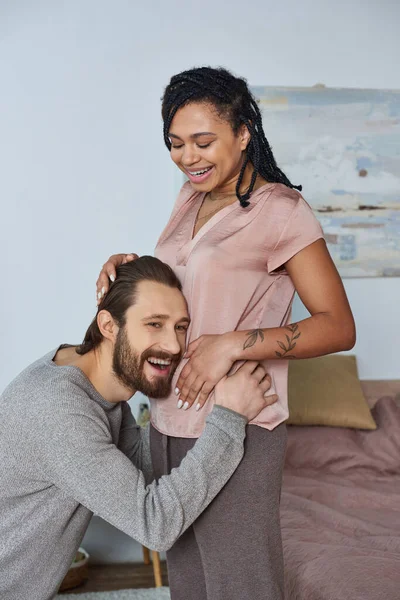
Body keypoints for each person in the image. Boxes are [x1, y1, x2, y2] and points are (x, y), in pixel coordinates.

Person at [96, 67, 356, 600]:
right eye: (175, 144)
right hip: (170, 417)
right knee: (190, 581)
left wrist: (234, 344)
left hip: (241, 421)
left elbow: (339, 326)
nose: (188, 157)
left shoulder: (283, 211)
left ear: (243, 134)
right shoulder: (190, 200)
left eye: (203, 141)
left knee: (241, 583)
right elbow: (188, 289)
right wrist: (129, 268)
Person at [0, 256, 275, 600]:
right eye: (154, 324)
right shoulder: (59, 411)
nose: (175, 346)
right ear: (109, 326)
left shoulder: (94, 382)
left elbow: (140, 462)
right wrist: (229, 417)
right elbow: (154, 524)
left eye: (179, 326)